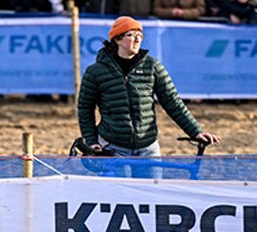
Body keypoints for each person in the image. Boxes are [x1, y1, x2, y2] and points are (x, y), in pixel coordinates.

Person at [77, 16, 219, 159]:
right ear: (117, 39)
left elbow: (172, 102)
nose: (137, 39)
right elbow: (85, 108)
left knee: (152, 182)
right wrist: (91, 141)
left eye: (140, 35)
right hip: (113, 147)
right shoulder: (95, 71)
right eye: (131, 35)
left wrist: (195, 131)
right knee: (120, 182)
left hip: (148, 148)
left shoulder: (152, 66)